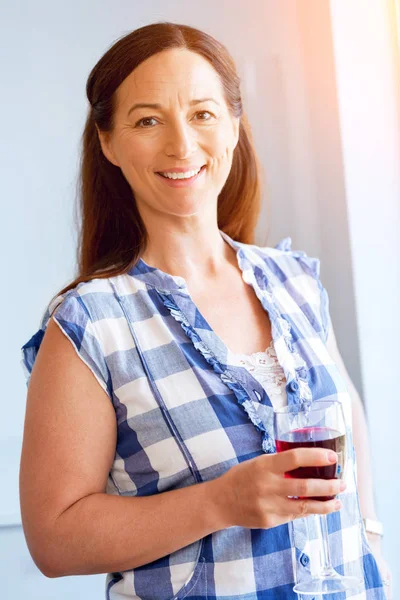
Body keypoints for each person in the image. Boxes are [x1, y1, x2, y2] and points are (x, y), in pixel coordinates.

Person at [20, 21, 391, 600]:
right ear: (109, 143)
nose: (182, 145)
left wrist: (371, 544)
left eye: (202, 114)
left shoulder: (296, 282)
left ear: (235, 126)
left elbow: (348, 418)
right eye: (148, 120)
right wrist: (221, 502)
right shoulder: (91, 322)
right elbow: (54, 538)